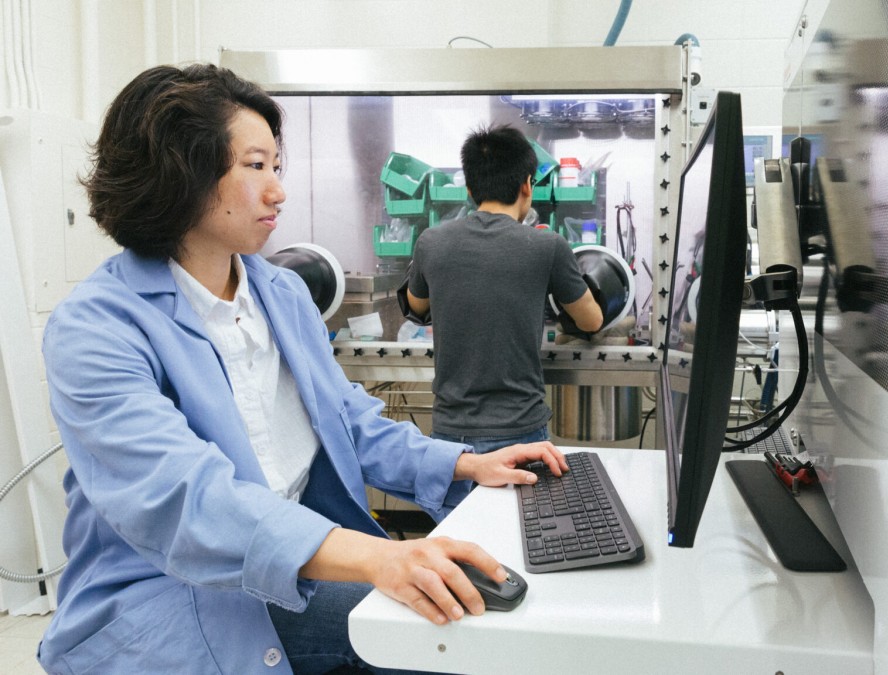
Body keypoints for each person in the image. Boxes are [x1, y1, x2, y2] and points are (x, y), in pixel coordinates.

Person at [38, 64, 569, 675]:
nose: (278, 191)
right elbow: (187, 501)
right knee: (440, 643)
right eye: (255, 166)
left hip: (286, 575)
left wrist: (465, 462)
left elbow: (349, 422)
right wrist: (377, 558)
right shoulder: (98, 328)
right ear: (180, 172)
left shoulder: (279, 294)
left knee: (476, 629)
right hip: (168, 597)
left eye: (277, 166)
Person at [404, 124, 603, 453]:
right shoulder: (547, 245)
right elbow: (591, 321)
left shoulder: (430, 242)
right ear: (527, 185)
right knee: (523, 508)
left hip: (451, 436)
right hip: (521, 431)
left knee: (459, 508)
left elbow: (417, 306)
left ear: (469, 188)